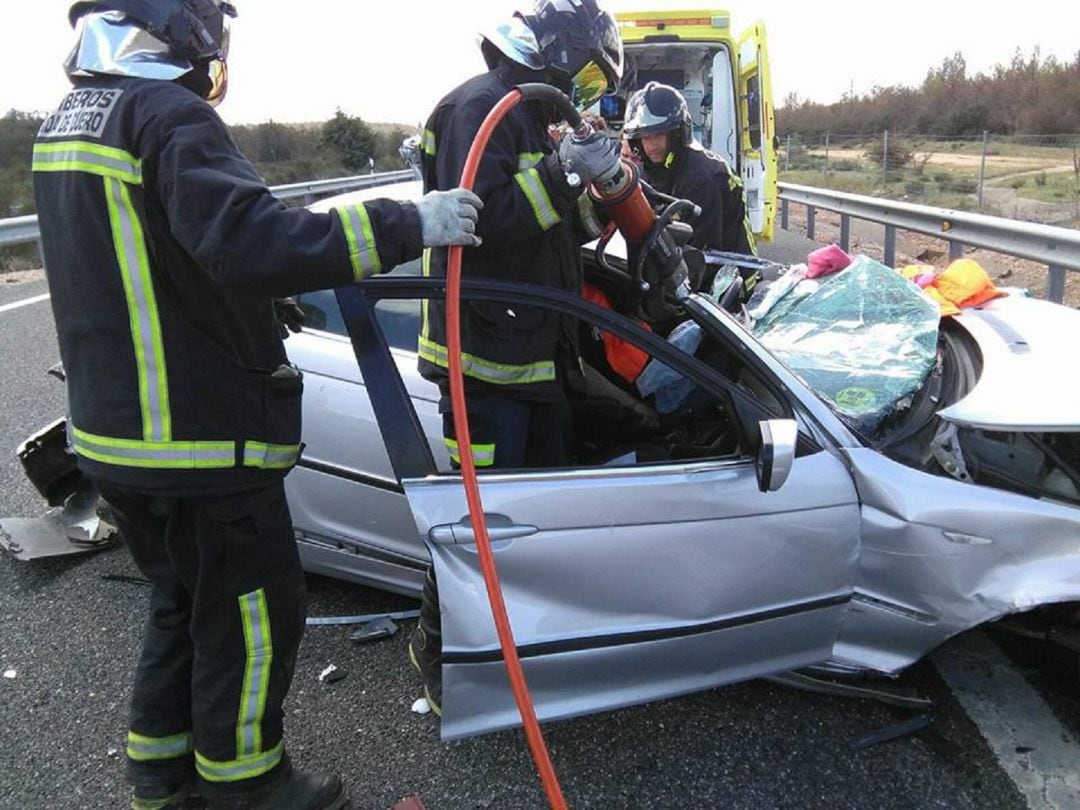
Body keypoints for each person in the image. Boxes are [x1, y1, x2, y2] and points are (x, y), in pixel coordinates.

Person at [32, 2, 482, 808]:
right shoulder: (168, 116)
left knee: (182, 608)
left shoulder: (70, 122)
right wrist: (409, 222)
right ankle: (248, 784)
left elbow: (165, 260)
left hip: (115, 438)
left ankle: (162, 778)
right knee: (249, 617)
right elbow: (254, 243)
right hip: (196, 439)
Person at [410, 0, 624, 715]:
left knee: (531, 524)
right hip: (485, 364)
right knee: (479, 525)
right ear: (559, 53)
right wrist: (560, 175)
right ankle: (444, 662)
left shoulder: (530, 116)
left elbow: (560, 230)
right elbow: (484, 223)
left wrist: (592, 181)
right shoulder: (479, 109)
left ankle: (523, 656)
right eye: (586, 67)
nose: (587, 84)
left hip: (533, 353)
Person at [623, 81, 757, 255]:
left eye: (659, 134)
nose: (652, 145)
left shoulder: (704, 176)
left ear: (677, 133)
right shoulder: (648, 170)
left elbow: (699, 251)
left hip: (729, 270)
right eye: (645, 137)